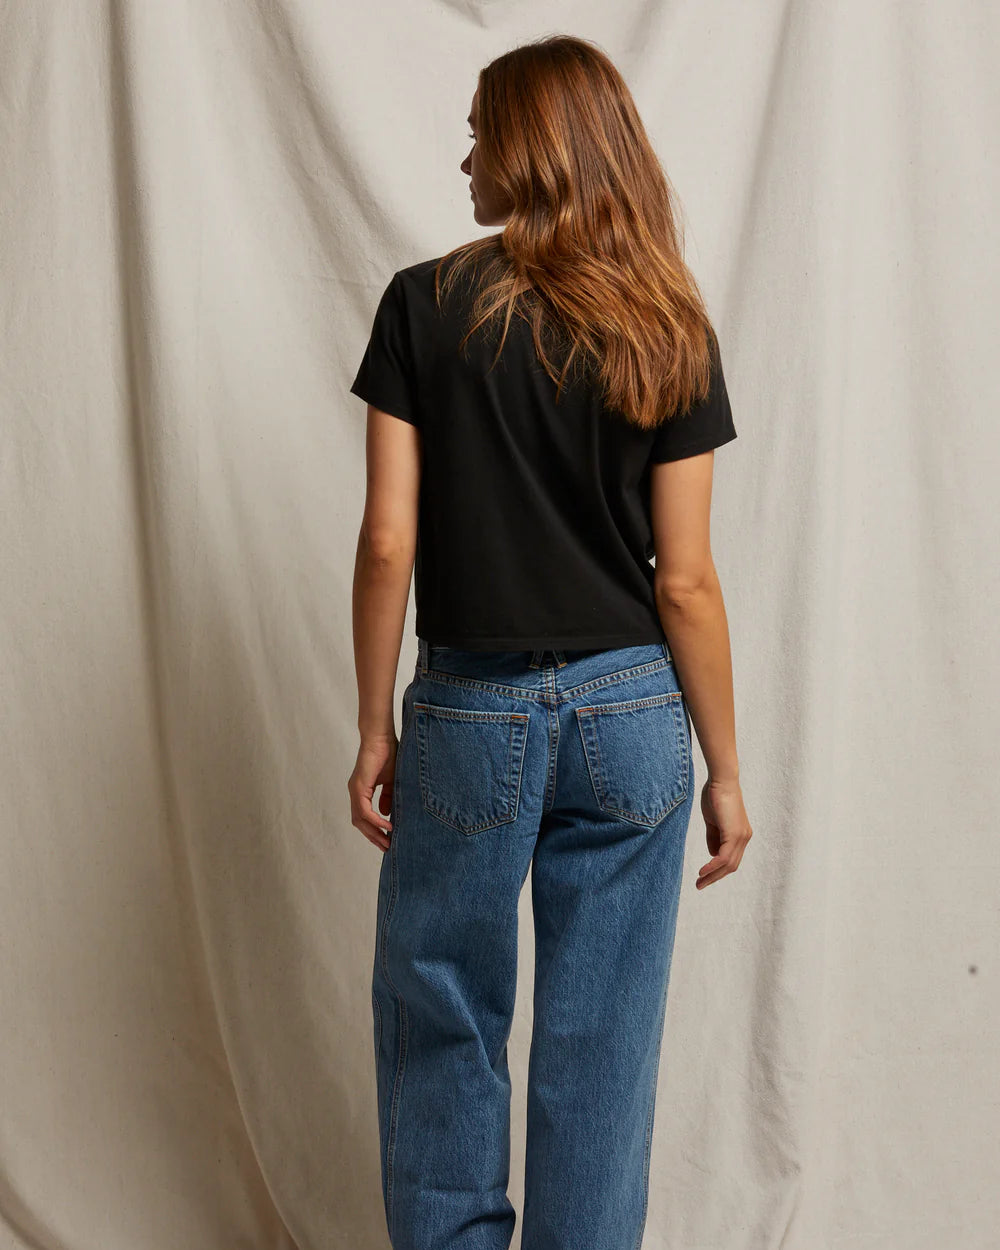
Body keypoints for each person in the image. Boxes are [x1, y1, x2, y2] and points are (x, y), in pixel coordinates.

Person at [347, 33, 753, 1250]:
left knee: (445, 1016)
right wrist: (725, 767)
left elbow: (384, 542)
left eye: (481, 130)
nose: (466, 154)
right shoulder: (666, 323)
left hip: (470, 709)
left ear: (528, 148)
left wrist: (374, 724)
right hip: (632, 716)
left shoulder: (424, 305)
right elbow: (682, 580)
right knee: (601, 1043)